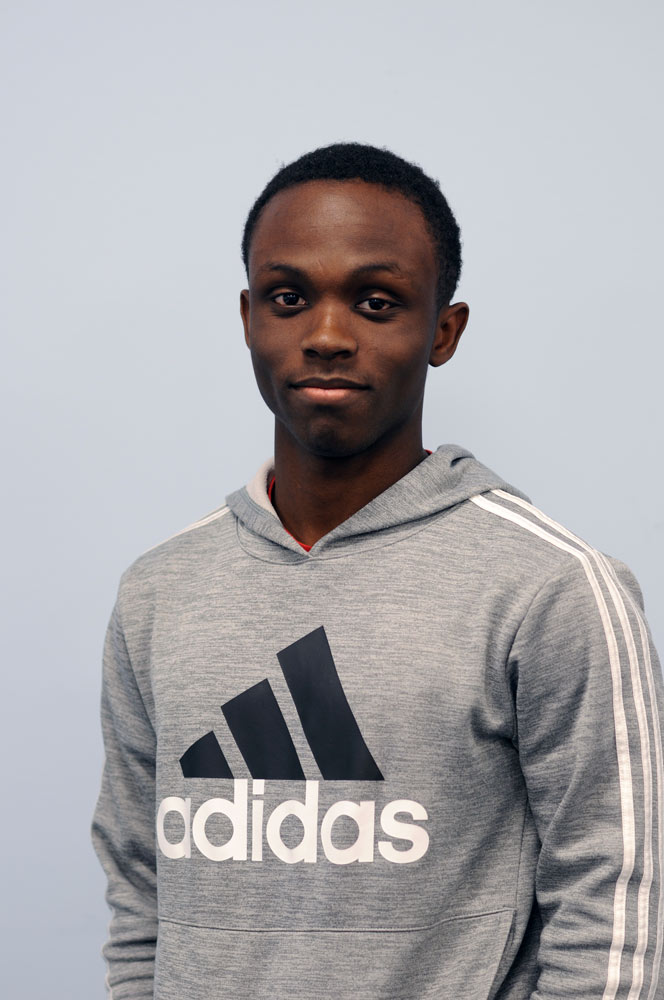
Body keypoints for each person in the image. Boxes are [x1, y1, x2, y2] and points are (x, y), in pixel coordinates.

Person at [92, 142, 664, 1000]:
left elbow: (617, 910)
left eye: (375, 300)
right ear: (248, 317)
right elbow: (142, 897)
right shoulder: (158, 591)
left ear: (443, 330)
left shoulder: (555, 587)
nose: (326, 335)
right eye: (289, 298)